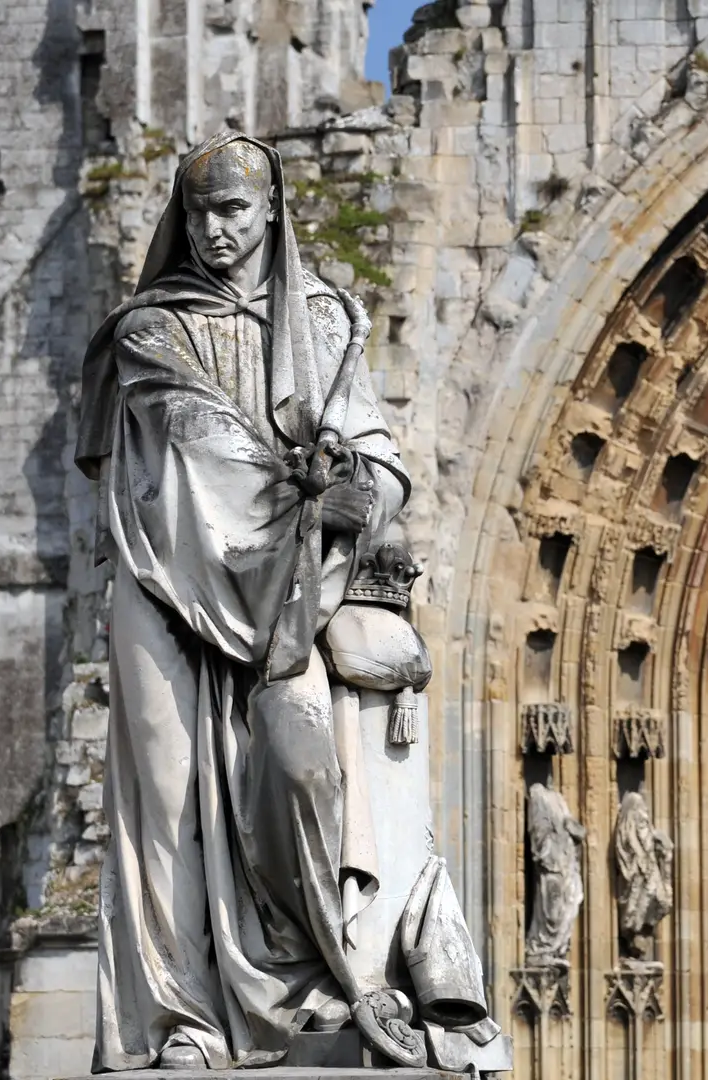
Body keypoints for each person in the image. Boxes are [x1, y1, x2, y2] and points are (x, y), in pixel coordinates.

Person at [76, 130, 490, 1071]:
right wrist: (303, 492)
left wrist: (359, 490)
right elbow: (198, 446)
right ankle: (182, 1019)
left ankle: (313, 981)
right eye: (200, 213)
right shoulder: (152, 328)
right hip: (169, 577)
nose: (216, 231)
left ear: (269, 211)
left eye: (233, 210)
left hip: (295, 594)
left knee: (303, 763)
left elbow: (378, 455)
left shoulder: (328, 321)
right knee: (168, 796)